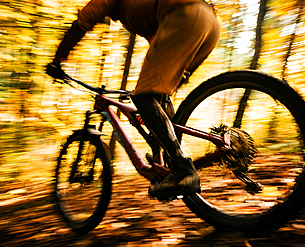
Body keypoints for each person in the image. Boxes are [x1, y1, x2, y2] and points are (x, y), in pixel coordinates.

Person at [46, 0, 220, 200]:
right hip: (209, 24)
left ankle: (183, 171)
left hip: (186, 15)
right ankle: (167, 164)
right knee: (158, 97)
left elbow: (82, 23)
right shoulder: (136, 7)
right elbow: (159, 42)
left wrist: (58, 60)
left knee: (144, 97)